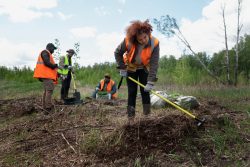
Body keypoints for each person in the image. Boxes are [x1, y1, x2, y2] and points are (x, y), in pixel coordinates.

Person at [114, 19, 160, 123]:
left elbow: (154, 63)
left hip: (144, 68)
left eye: (145, 37)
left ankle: (147, 117)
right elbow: (117, 53)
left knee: (145, 91)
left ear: (148, 33)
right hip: (131, 69)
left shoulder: (155, 43)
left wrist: (151, 81)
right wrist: (122, 67)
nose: (144, 40)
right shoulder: (128, 41)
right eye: (140, 39)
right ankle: (131, 119)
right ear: (135, 38)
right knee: (132, 92)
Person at [33, 43, 58, 113]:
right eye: (53, 49)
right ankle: (48, 108)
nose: (53, 51)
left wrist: (56, 72)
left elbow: (48, 66)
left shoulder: (47, 53)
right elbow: (47, 62)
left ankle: (45, 107)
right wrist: (54, 66)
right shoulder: (45, 52)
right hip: (45, 75)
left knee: (47, 91)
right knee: (49, 90)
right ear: (49, 47)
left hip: (46, 75)